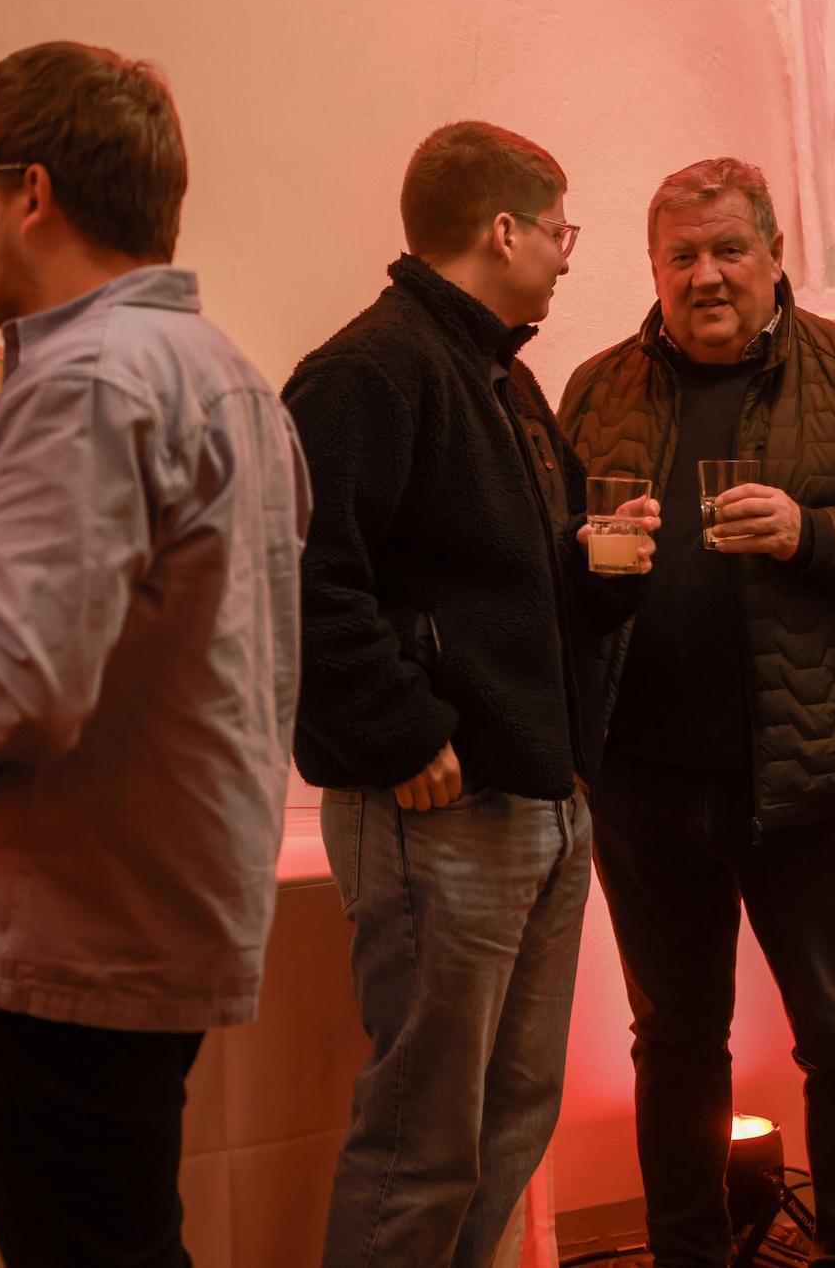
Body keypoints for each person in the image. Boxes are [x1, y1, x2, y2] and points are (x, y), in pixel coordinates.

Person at [558, 156, 835, 1268]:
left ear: (774, 254)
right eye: (681, 255)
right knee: (674, 1043)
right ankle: (686, 1255)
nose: (705, 274)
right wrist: (582, 560)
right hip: (645, 789)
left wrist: (813, 531)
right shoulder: (597, 388)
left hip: (815, 782)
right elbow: (550, 566)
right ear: (653, 267)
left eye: (727, 249)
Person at [283, 120, 658, 1268]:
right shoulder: (368, 371)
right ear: (502, 229)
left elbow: (505, 585)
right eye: (558, 230)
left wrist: (596, 566)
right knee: (423, 1140)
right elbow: (302, 577)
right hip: (440, 809)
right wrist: (401, 730)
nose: (565, 252)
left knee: (510, 1118)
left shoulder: (507, 377)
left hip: (539, 798)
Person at [0, 40, 311, 1268]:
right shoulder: (225, 371)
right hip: (158, 903)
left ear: (30, 190)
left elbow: (17, 680)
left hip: (71, 922)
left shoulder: (88, 378)